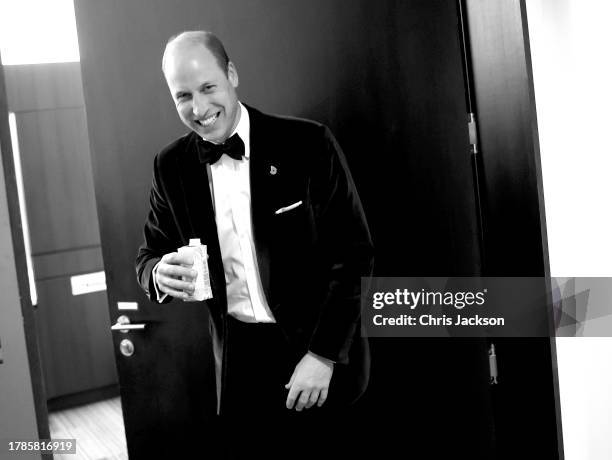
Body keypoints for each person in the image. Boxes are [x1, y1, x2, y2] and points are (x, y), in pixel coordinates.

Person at [135, 30, 374, 458]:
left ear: (231, 74)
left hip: (319, 355)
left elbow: (354, 254)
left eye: (208, 87)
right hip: (241, 368)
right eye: (183, 96)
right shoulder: (170, 166)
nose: (200, 108)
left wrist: (322, 356)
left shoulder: (308, 143)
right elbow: (148, 255)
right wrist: (157, 273)